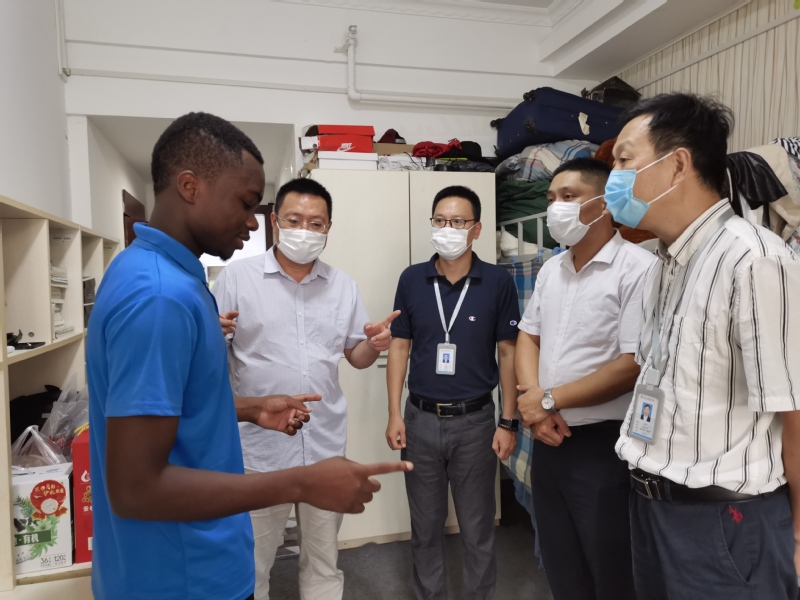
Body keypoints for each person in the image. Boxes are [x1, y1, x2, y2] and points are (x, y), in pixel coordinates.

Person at [86, 112, 411, 600]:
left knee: (322, 563)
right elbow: (136, 488)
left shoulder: (163, 274)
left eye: (316, 223)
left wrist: (250, 408)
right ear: (190, 187)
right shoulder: (163, 295)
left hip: (208, 537)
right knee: (261, 564)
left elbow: (181, 400)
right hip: (185, 572)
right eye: (245, 202)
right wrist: (299, 483)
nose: (251, 220)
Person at [611, 93, 800, 599]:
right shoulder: (663, 263)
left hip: (724, 521)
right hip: (653, 506)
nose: (614, 178)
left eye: (624, 160)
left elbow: (795, 409)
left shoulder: (754, 260)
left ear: (677, 165)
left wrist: (799, 532)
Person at [212, 177, 399, 600]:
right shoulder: (237, 278)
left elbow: (355, 356)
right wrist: (209, 333)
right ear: (275, 222)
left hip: (324, 445)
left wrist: (373, 345)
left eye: (316, 223)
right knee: (251, 562)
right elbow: (209, 356)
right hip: (259, 449)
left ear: (328, 228)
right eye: (294, 220)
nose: (305, 230)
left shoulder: (342, 285)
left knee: (323, 559)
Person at [515, 158, 654, 600]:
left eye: (568, 197)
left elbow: (632, 364)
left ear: (604, 204)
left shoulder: (638, 269)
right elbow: (528, 337)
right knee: (561, 564)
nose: (555, 207)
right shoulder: (551, 269)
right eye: (551, 198)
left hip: (602, 445)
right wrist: (535, 404)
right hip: (548, 440)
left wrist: (548, 401)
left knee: (611, 570)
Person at [385, 185, 520, 600]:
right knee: (425, 528)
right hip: (419, 420)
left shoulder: (497, 281)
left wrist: (508, 421)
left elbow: (508, 352)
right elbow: (399, 347)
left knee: (478, 528)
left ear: (476, 229)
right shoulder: (412, 279)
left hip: (476, 422)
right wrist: (394, 413)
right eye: (440, 220)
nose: (448, 228)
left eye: (458, 221)